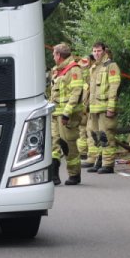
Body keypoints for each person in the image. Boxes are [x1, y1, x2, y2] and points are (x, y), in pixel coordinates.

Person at [83, 42, 121, 174]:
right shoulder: (93, 67)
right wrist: (86, 106)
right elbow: (89, 89)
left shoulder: (111, 66)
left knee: (106, 136)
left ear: (104, 51)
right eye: (94, 51)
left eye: (98, 51)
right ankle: (99, 161)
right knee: (96, 136)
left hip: (105, 108)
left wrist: (111, 107)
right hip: (94, 108)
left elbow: (114, 87)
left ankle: (108, 164)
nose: (96, 53)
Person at [52, 43, 86, 185]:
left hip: (68, 116)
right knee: (53, 144)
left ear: (59, 55)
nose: (53, 57)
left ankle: (74, 174)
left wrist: (66, 113)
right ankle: (53, 174)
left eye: (54, 54)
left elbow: (76, 93)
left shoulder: (74, 70)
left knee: (68, 145)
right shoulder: (57, 70)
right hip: (55, 114)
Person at [75, 54, 93, 166]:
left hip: (85, 108)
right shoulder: (87, 79)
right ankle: (84, 153)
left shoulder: (84, 78)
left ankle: (85, 154)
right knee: (84, 131)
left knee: (86, 131)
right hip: (84, 108)